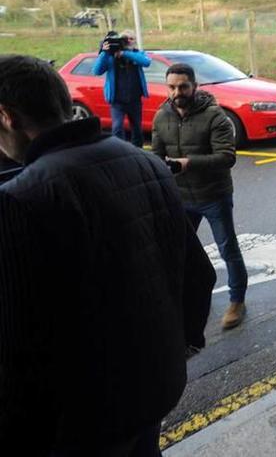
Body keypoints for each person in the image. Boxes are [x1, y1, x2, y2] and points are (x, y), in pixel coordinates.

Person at [0, 55, 214, 455]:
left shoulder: (21, 199)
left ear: (7, 116)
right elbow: (199, 277)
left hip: (84, 418)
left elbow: (17, 348)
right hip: (156, 388)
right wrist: (176, 348)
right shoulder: (148, 163)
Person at [152, 63, 249, 330]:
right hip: (181, 197)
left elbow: (227, 157)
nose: (177, 92)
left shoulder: (215, 116)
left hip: (213, 196)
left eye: (183, 86)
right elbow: (157, 154)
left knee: (227, 248)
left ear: (194, 86)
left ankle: (237, 301)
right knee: (179, 251)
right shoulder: (161, 117)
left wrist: (188, 163)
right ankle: (183, 298)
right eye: (172, 87)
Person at [91, 30, 151, 147]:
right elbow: (96, 71)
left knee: (137, 128)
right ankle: (119, 149)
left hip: (135, 99)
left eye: (131, 39)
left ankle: (137, 151)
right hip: (117, 100)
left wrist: (124, 53)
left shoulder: (137, 53)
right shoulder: (110, 56)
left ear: (135, 41)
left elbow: (146, 62)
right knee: (117, 127)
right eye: (125, 38)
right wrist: (104, 52)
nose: (128, 41)